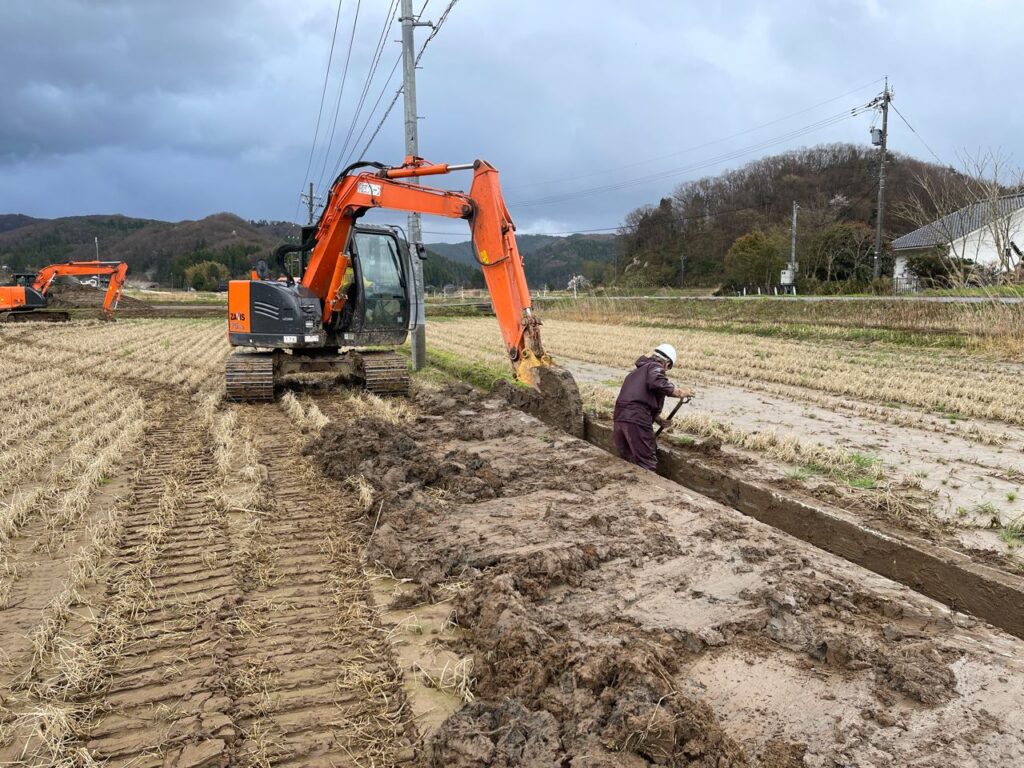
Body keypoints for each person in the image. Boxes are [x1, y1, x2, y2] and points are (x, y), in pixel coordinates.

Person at [613, 343, 694, 471]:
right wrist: (679, 392)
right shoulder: (654, 367)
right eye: (667, 369)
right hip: (637, 419)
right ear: (666, 363)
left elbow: (643, 397)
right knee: (647, 463)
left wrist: (658, 419)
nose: (665, 372)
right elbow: (657, 381)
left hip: (620, 418)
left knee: (628, 459)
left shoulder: (637, 372)